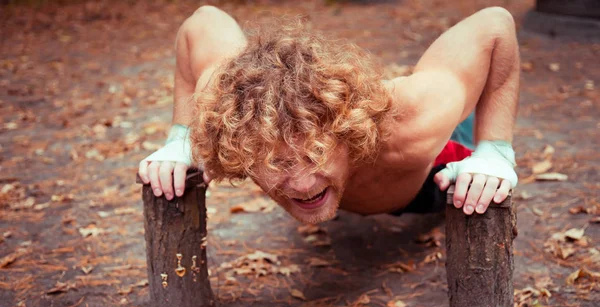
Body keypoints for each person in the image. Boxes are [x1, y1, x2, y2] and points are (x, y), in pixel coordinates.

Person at [138, 5, 519, 224]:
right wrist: (178, 141)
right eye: (278, 162)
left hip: (429, 171)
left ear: (349, 133)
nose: (303, 184)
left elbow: (495, 25)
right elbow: (201, 22)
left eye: (315, 155)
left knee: (461, 119)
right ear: (239, 147)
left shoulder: (412, 121)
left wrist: (495, 150)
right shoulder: (227, 112)